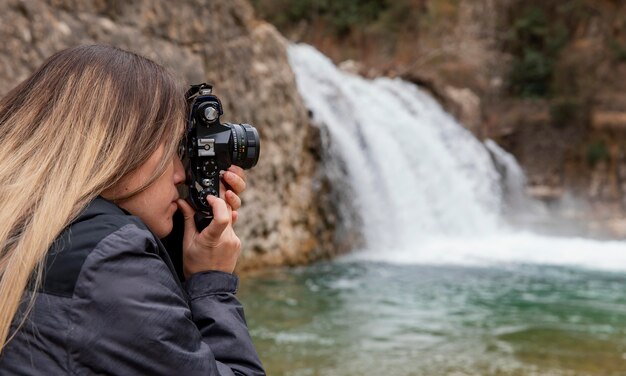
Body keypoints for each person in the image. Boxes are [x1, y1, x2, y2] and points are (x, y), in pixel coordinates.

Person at [0, 45, 265, 375]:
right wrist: (211, 280)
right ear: (117, 148)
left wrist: (183, 223)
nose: (181, 173)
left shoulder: (25, 227)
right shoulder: (111, 265)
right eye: (170, 149)